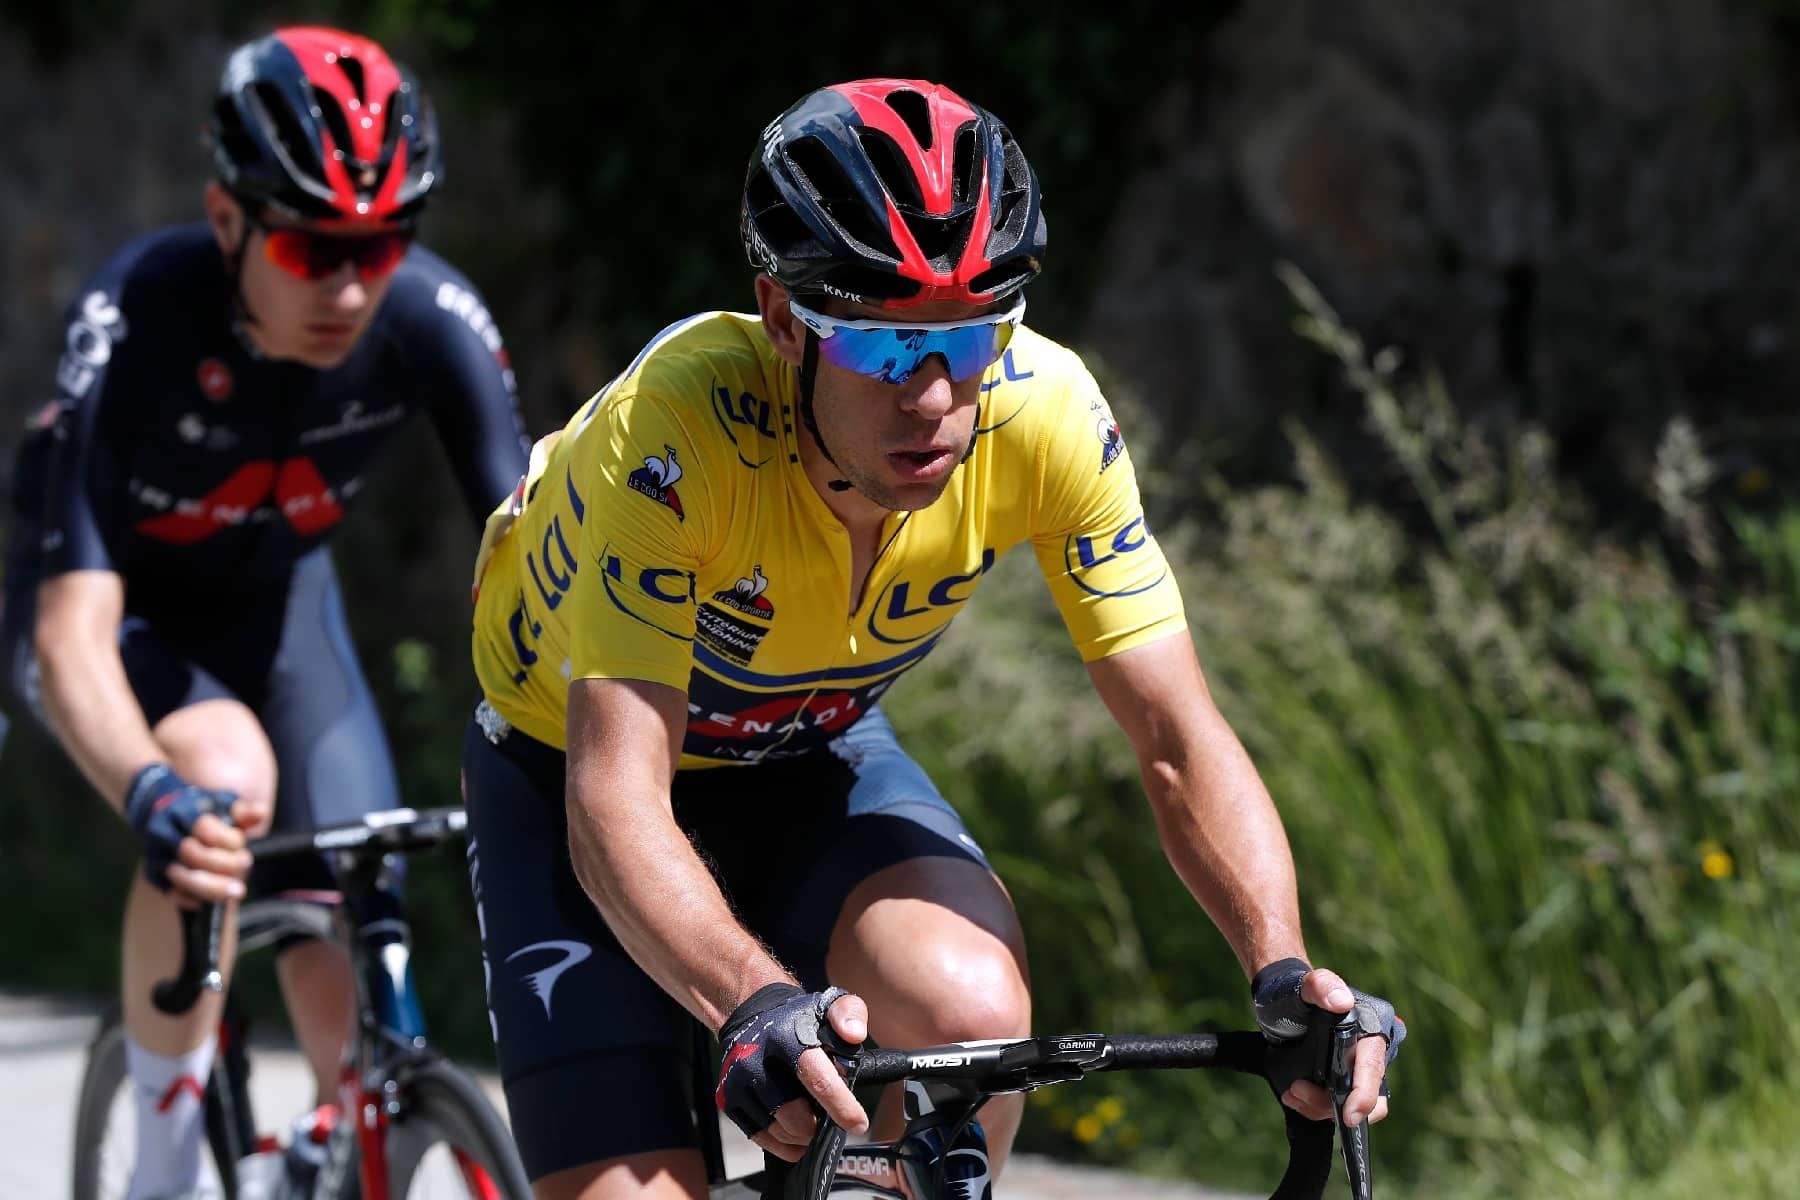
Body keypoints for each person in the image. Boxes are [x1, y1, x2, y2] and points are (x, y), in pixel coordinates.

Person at [461, 78, 1403, 1199]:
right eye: (882, 344)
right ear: (782, 321)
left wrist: (1283, 972)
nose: (934, 393)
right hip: (567, 773)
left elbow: (1175, 736)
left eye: (970, 333)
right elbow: (615, 800)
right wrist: (754, 1004)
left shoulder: (1047, 414)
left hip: (807, 750)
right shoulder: (674, 436)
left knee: (969, 1014)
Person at [0, 26, 529, 1200]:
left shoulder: (431, 315)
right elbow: (69, 630)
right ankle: (166, 1167)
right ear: (227, 218)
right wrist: (148, 789)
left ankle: (339, 1146)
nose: (350, 285)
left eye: (383, 243)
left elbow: (547, 559)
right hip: (111, 622)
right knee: (222, 782)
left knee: (362, 875)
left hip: (285, 617)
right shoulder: (138, 315)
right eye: (310, 246)